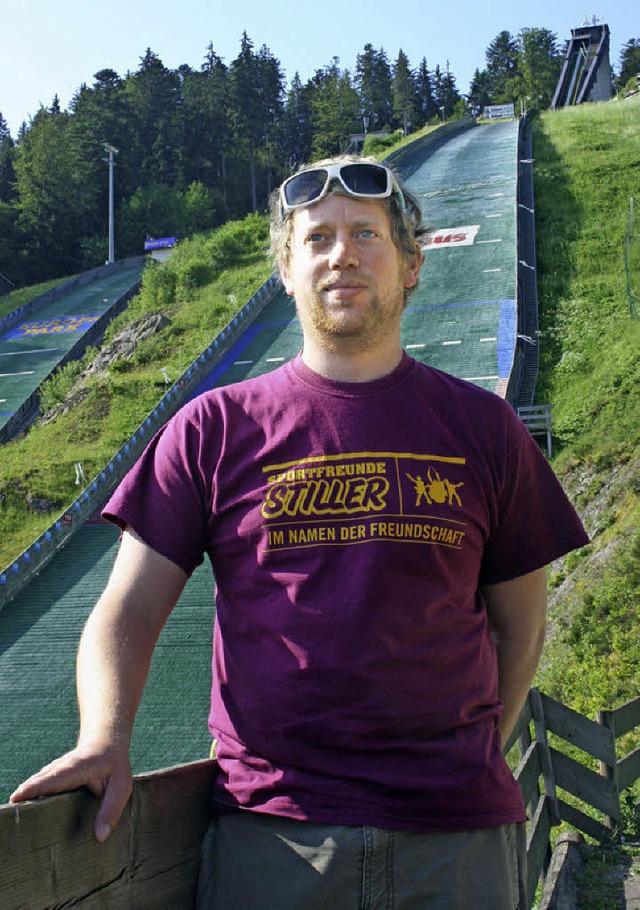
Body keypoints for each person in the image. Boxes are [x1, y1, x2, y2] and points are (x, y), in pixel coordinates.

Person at [11, 156, 589, 908]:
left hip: (455, 842)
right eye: (316, 239)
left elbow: (523, 629)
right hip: (273, 841)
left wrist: (472, 756)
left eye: (365, 235)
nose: (341, 254)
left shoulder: (486, 430)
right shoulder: (213, 429)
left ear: (412, 265)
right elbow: (127, 607)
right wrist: (104, 738)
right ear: (285, 270)